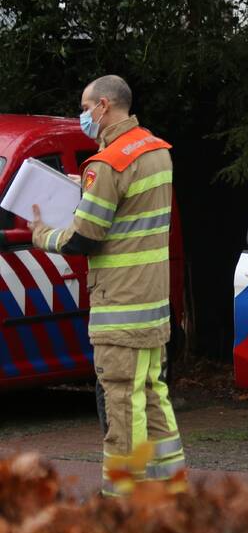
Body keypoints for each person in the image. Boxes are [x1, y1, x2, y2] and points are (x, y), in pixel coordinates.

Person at [28, 75, 186, 496]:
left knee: (121, 405)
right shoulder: (156, 150)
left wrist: (43, 234)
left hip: (120, 307)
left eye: (84, 107)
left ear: (104, 105)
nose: (82, 116)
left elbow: (85, 236)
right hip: (152, 306)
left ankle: (122, 499)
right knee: (153, 396)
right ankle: (170, 489)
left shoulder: (107, 164)